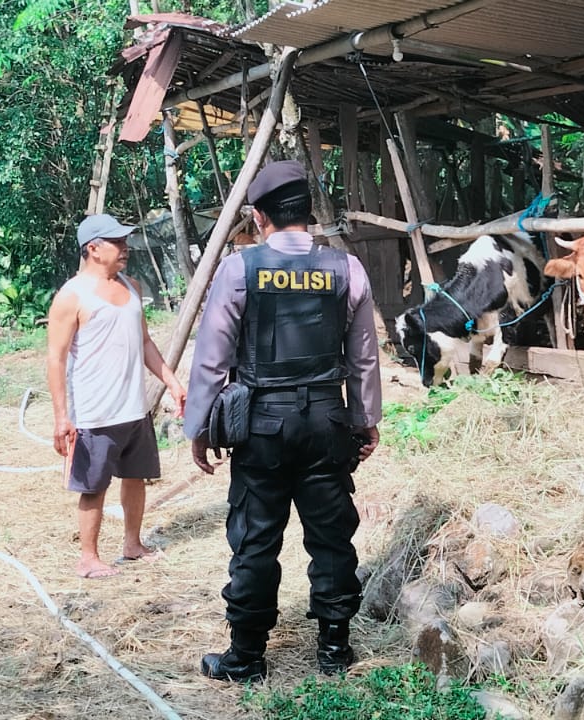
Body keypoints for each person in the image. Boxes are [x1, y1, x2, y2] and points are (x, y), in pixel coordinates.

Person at [184, 160, 382, 682]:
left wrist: (198, 428)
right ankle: (335, 650)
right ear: (308, 212)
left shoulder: (239, 270)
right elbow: (364, 358)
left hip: (261, 427)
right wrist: (365, 419)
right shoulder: (347, 269)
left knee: (255, 539)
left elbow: (211, 359)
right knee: (332, 537)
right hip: (327, 424)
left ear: (259, 216)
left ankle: (246, 657)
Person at [47, 214, 186, 580]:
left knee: (136, 477)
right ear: (93, 249)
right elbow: (55, 359)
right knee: (94, 486)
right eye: (117, 242)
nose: (126, 248)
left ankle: (133, 544)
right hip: (94, 412)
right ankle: (88, 558)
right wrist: (61, 417)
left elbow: (145, 342)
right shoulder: (71, 296)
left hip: (134, 408)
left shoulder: (131, 286)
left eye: (125, 241)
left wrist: (172, 382)